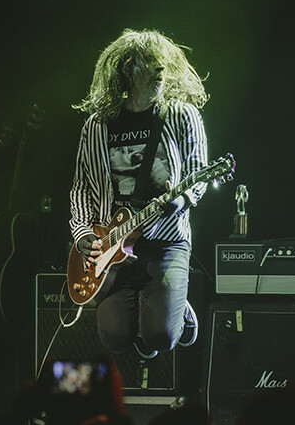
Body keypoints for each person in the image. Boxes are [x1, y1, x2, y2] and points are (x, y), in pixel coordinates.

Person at [69, 28, 209, 358]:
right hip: (112, 244)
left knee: (159, 337)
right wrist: (82, 233)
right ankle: (156, 307)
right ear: (127, 68)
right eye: (149, 62)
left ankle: (178, 312)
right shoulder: (98, 125)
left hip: (165, 243)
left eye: (162, 62)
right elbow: (82, 187)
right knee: (114, 338)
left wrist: (182, 199)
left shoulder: (181, 115)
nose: (159, 69)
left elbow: (198, 175)